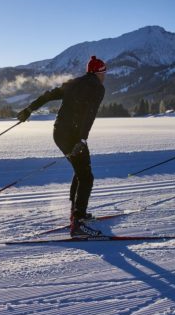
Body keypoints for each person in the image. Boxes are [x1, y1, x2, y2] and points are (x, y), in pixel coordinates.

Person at [17, 56, 107, 237]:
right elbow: (90, 114)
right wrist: (82, 140)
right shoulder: (97, 87)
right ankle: (79, 224)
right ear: (98, 72)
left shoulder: (74, 83)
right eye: (104, 71)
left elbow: (49, 95)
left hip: (58, 133)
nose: (105, 75)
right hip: (73, 135)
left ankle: (76, 214)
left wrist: (29, 109)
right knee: (86, 177)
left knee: (80, 171)